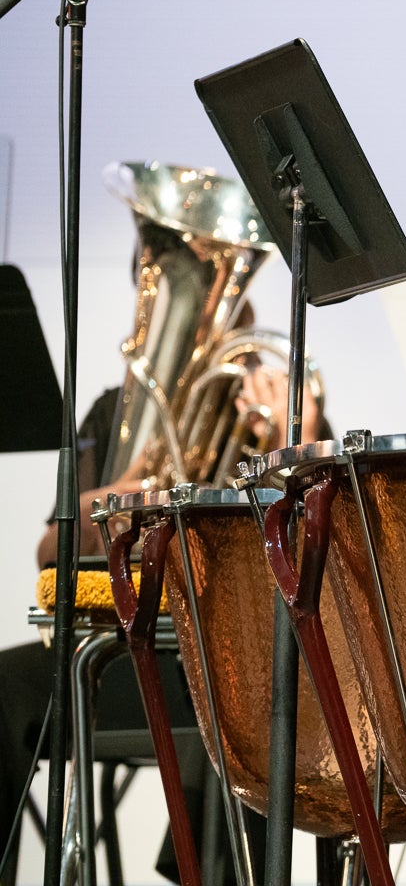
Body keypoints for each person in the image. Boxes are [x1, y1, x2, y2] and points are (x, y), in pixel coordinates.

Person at [3, 355, 322, 886]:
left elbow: (310, 549)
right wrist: (121, 495)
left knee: (242, 691)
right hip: (116, 651)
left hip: (221, 659)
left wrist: (297, 440)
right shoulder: (114, 412)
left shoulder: (275, 407)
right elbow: (47, 554)